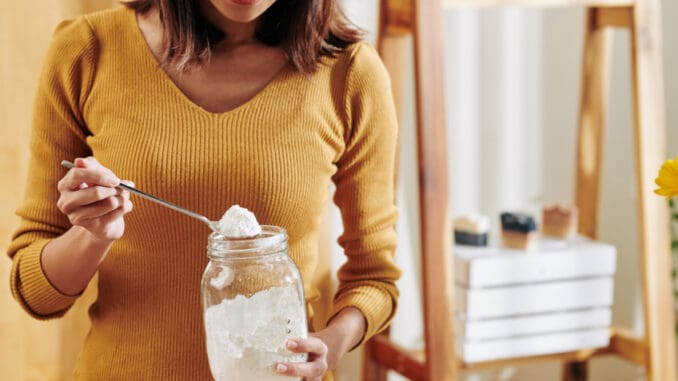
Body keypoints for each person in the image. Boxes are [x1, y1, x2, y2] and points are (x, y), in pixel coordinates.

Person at [7, 0, 401, 380]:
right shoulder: (87, 50)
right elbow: (37, 295)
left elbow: (375, 278)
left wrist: (330, 344)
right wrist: (91, 236)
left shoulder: (350, 73)